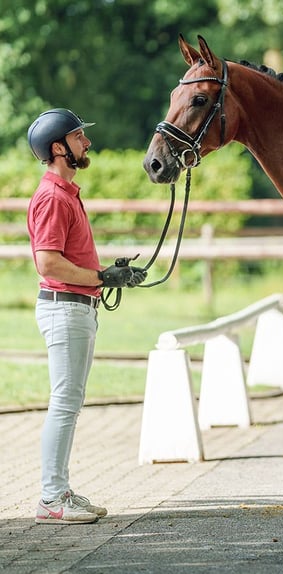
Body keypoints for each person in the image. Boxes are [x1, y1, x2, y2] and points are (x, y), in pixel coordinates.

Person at [26, 108, 147, 524]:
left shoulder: (66, 194)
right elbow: (48, 263)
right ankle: (52, 498)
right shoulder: (53, 197)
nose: (87, 143)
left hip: (78, 308)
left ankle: (59, 490)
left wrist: (109, 275)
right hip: (65, 310)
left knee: (69, 404)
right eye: (79, 138)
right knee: (63, 405)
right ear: (58, 148)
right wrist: (100, 275)